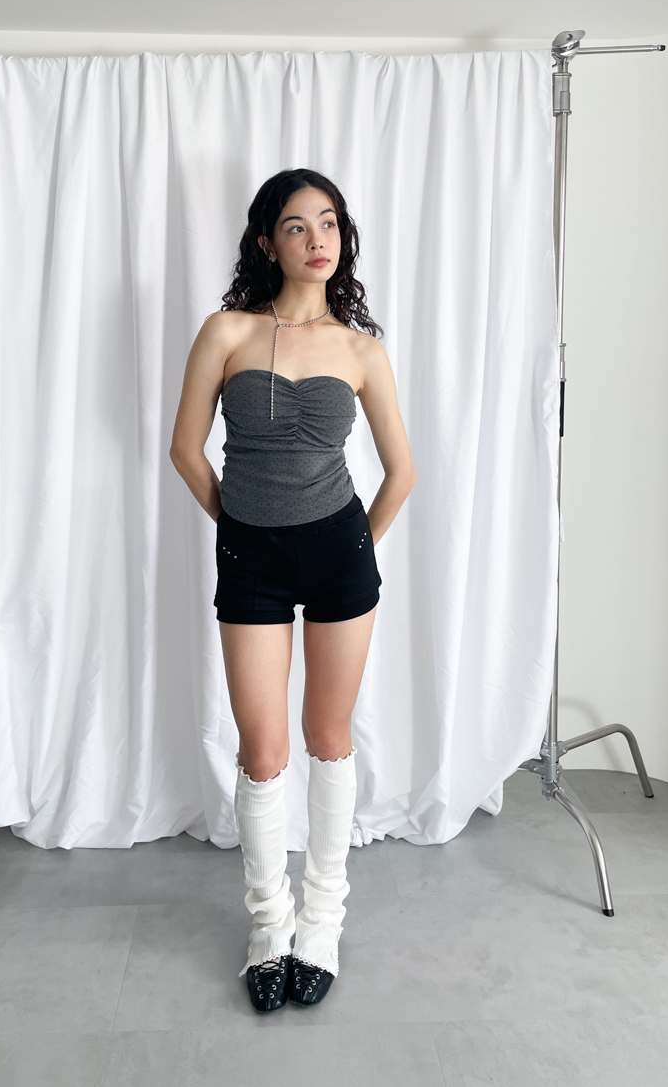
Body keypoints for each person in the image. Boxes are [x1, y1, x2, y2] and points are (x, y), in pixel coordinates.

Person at [169, 168, 415, 1012]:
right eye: (298, 225)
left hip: (340, 554)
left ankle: (323, 921)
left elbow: (402, 472)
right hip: (252, 557)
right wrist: (237, 522)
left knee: (328, 737)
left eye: (330, 223)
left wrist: (355, 544)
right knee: (264, 750)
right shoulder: (227, 331)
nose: (318, 239)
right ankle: (269, 924)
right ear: (267, 241)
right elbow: (186, 449)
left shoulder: (360, 349)